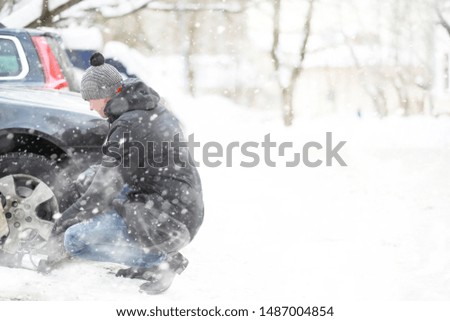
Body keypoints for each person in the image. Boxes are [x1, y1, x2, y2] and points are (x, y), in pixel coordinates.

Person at [47, 52, 204, 294]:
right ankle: (148, 257)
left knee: (74, 240)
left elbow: (99, 195)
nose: (89, 106)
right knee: (89, 176)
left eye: (90, 99)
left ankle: (160, 262)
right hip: (180, 206)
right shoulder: (144, 107)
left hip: (168, 220)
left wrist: (59, 228)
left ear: (104, 95)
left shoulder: (127, 126)